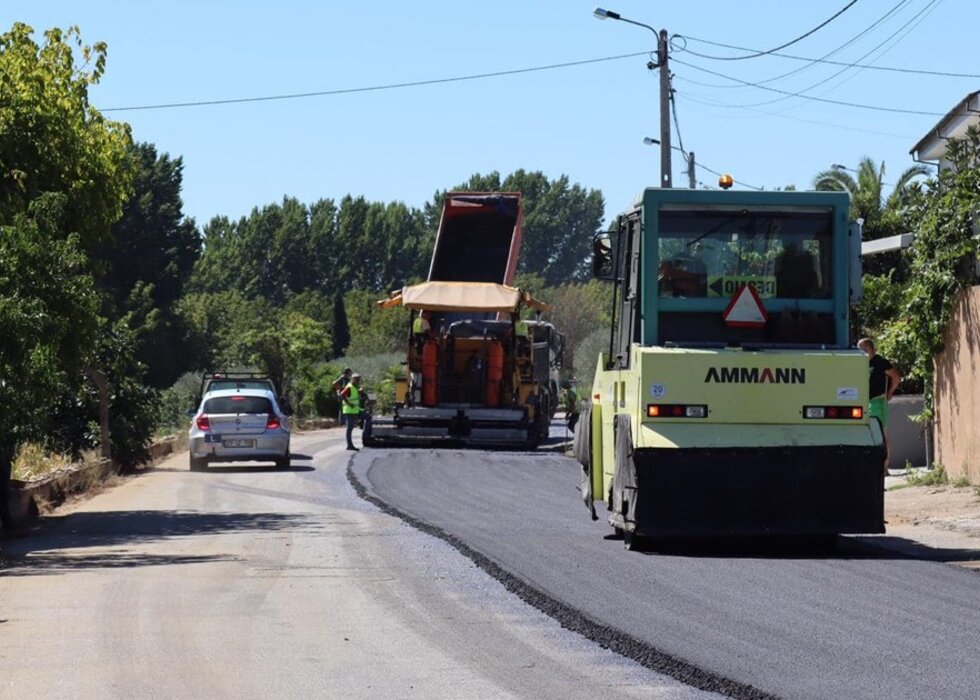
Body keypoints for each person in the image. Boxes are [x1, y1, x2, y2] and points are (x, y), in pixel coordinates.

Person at [858, 337, 901, 473]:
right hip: (864, 403)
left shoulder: (880, 362)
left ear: (872, 349)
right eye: (860, 349)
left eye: (864, 349)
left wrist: (890, 393)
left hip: (878, 402)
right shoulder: (859, 364)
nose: (862, 352)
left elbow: (895, 377)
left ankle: (884, 466)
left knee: (882, 432)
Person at [340, 373, 373, 451]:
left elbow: (360, 394)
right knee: (350, 428)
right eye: (357, 379)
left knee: (368, 417)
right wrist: (349, 403)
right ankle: (349, 445)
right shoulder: (349, 387)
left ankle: (366, 434)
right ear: (353, 379)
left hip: (356, 409)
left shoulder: (355, 387)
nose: (358, 380)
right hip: (350, 410)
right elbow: (342, 395)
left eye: (359, 379)